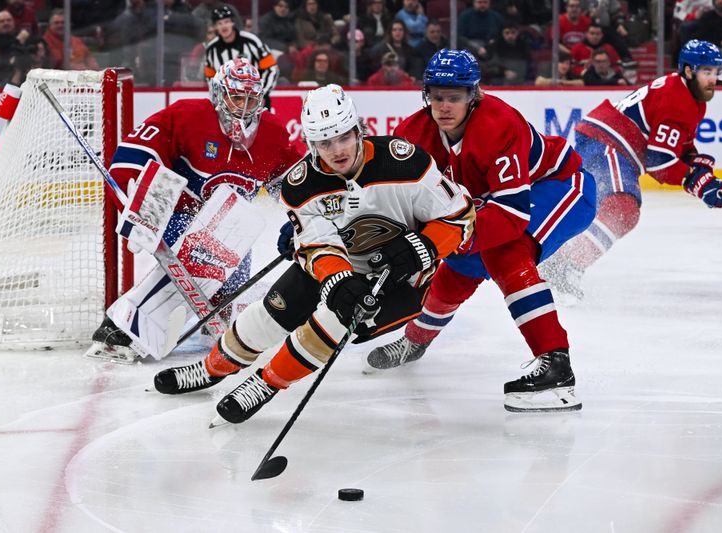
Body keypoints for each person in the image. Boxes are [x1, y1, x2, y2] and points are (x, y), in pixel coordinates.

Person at [152, 84, 476, 426]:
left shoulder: (405, 162)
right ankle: (212, 368)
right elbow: (317, 244)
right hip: (343, 265)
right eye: (324, 142)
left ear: (357, 129)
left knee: (334, 321)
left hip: (404, 282)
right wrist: (337, 279)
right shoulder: (301, 183)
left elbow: (460, 215)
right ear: (311, 143)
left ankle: (266, 383)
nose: (336, 150)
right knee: (270, 313)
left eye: (342, 137)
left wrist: (421, 248)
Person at [366, 49, 597, 413]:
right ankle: (415, 341)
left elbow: (511, 215)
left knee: (506, 250)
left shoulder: (499, 124)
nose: (444, 106)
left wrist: (437, 239)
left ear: (474, 96)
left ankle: (557, 367)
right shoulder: (412, 134)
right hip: (482, 207)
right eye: (436, 96)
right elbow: (395, 200)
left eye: (454, 97)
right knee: (459, 268)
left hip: (559, 187)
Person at [87, 58, 304, 363]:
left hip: (232, 235)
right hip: (178, 221)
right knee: (211, 244)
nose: (243, 107)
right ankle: (125, 325)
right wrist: (142, 207)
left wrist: (308, 214)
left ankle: (216, 316)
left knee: (233, 274)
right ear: (219, 94)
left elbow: (295, 181)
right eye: (236, 97)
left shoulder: (273, 134)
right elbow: (136, 153)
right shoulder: (189, 115)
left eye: (250, 99)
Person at [541, 40, 722, 300]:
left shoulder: (690, 97)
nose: (713, 79)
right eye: (706, 72)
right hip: (609, 141)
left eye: (717, 72)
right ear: (688, 71)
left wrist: (703, 178)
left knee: (608, 208)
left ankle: (559, 260)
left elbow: (680, 149)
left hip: (609, 140)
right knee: (621, 208)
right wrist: (696, 182)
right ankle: (565, 265)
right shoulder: (678, 98)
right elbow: (658, 161)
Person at [205, 6, 279, 108]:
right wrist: (219, 99)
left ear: (233, 23)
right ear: (215, 27)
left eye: (226, 21)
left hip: (255, 100)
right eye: (219, 23)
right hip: (227, 104)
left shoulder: (251, 41)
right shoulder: (211, 49)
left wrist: (263, 92)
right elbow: (211, 79)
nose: (223, 26)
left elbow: (271, 68)